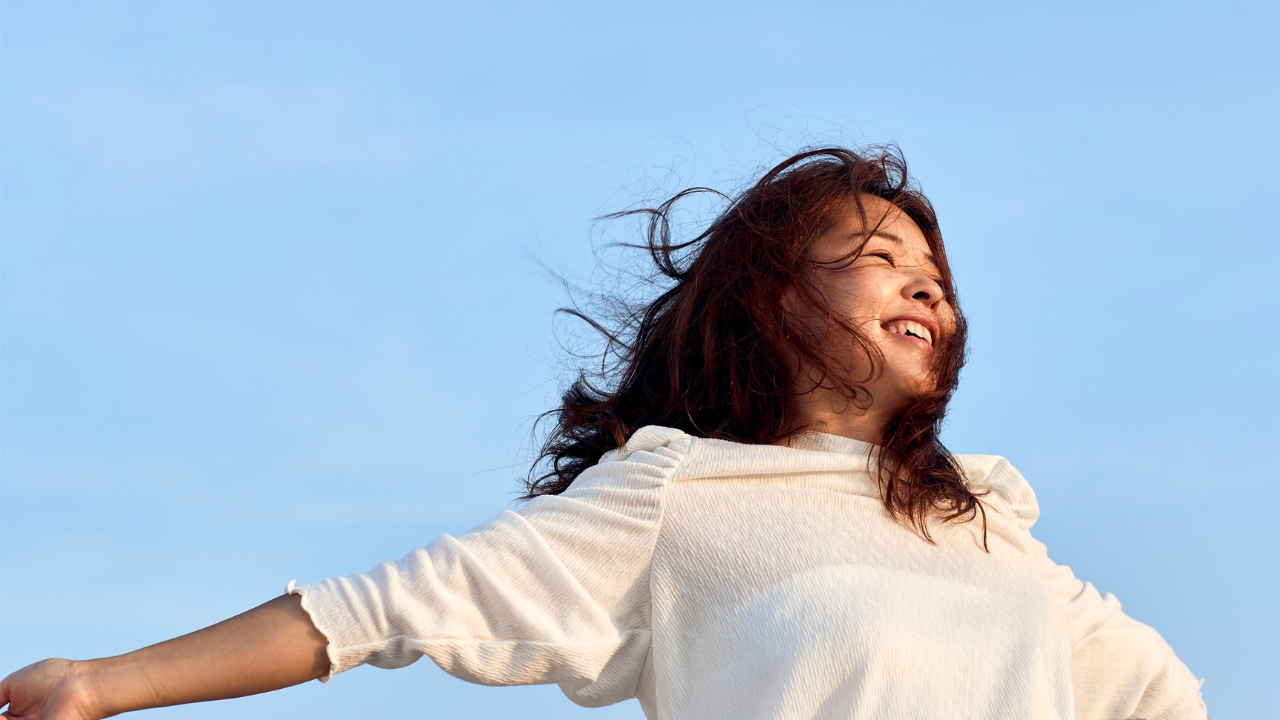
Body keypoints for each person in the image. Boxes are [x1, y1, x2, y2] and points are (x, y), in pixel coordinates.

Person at [0, 147, 1208, 720]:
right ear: (773, 299)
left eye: (937, 275)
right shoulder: (680, 498)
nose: (928, 289)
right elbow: (383, 608)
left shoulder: (981, 524)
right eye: (881, 257)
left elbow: (1158, 699)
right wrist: (103, 683)